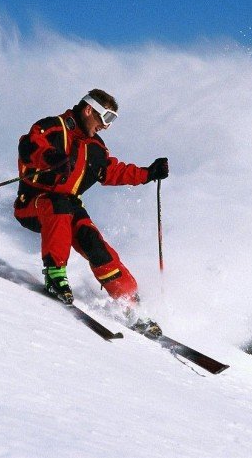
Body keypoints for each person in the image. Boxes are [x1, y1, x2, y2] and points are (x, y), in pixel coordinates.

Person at [13, 89, 168, 336]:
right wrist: (50, 156)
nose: (106, 126)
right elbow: (29, 146)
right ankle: (55, 275)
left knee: (94, 244)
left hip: (69, 207)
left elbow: (112, 171)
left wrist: (149, 173)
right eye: (105, 118)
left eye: (112, 120)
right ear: (88, 109)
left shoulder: (95, 147)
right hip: (34, 203)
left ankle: (131, 305)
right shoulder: (53, 127)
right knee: (59, 204)